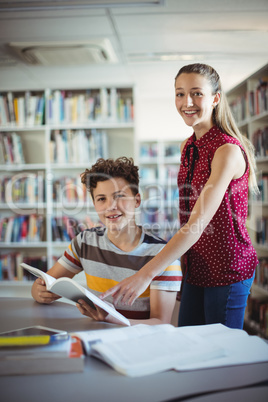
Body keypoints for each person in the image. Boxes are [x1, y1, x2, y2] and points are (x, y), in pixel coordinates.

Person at [100, 63, 259, 330]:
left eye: (197, 93)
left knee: (219, 353)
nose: (187, 102)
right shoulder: (189, 145)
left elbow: (196, 224)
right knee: (188, 341)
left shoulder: (227, 151)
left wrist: (146, 274)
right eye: (180, 93)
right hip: (195, 264)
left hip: (226, 268)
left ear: (215, 98)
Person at [31, 157, 182, 326]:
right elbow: (46, 283)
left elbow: (161, 323)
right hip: (95, 338)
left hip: (140, 344)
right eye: (102, 199)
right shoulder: (84, 243)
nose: (111, 206)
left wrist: (114, 320)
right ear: (94, 204)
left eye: (119, 197)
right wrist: (38, 291)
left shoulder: (163, 256)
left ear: (137, 200)